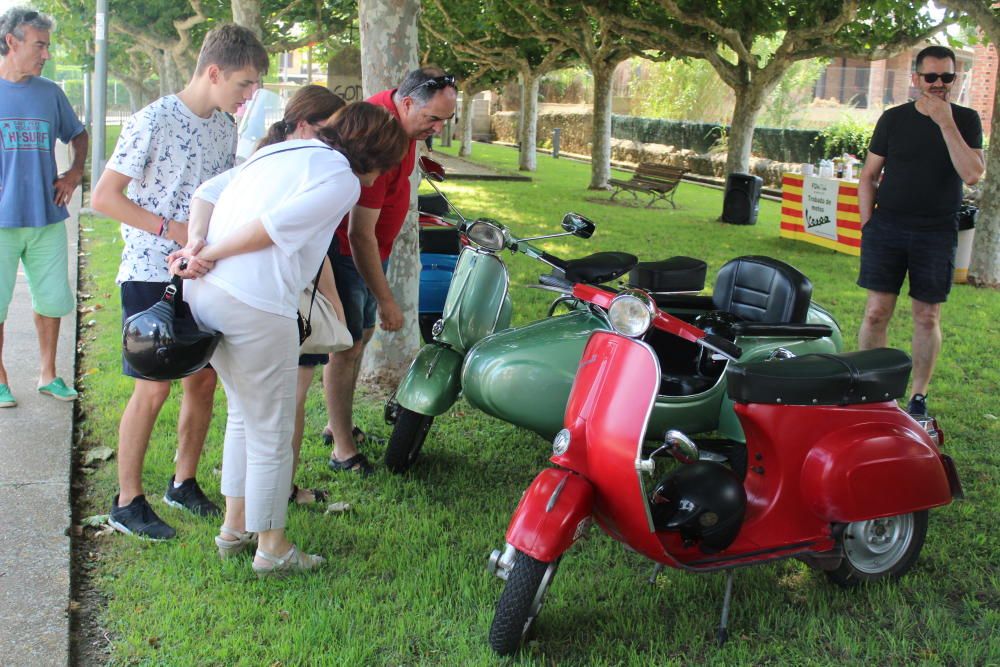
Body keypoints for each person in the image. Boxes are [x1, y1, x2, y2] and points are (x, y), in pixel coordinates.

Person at [169, 102, 408, 576]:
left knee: (244, 414)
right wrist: (206, 251)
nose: (380, 174)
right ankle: (272, 547)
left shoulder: (282, 150)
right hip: (253, 302)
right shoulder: (339, 176)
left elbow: (208, 191)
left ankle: (234, 530)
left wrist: (196, 247)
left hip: (208, 295)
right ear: (375, 151)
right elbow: (273, 229)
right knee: (271, 430)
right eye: (386, 162)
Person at [91, 24, 268, 540]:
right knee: (152, 387)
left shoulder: (225, 127)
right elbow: (104, 197)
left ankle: (183, 483)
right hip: (151, 272)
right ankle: (126, 502)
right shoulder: (154, 119)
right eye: (244, 84)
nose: (249, 95)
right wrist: (174, 232)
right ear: (213, 72)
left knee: (203, 378)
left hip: (205, 272)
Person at [321, 67, 458, 474]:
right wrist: (386, 300)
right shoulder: (378, 137)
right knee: (345, 349)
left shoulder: (403, 118)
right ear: (408, 102)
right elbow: (358, 233)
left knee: (358, 340)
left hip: (369, 251)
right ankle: (342, 448)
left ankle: (336, 424)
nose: (434, 129)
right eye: (432, 119)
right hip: (350, 255)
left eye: (444, 121)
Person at [856, 45, 984, 418]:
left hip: (936, 231)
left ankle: (918, 397)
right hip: (888, 227)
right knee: (877, 312)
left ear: (955, 79)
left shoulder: (966, 119)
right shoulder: (893, 119)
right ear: (916, 79)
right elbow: (869, 176)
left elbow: (973, 173)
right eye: (931, 77)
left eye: (947, 77)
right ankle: (873, 388)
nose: (939, 84)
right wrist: (868, 225)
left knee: (927, 315)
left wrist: (945, 121)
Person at [247, 84, 348, 506]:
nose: (338, 145)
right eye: (332, 133)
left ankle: (262, 501)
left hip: (258, 294)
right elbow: (310, 249)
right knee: (287, 403)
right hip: (286, 297)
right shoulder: (307, 169)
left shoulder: (264, 159)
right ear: (305, 125)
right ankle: (276, 498)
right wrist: (336, 306)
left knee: (264, 408)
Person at [0, 6, 88, 408]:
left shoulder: (50, 92)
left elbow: (78, 134)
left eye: (47, 46)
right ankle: (0, 380)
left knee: (52, 299)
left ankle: (48, 375)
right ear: (11, 42)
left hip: (46, 217)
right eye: (40, 45)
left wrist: (74, 173)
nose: (46, 54)